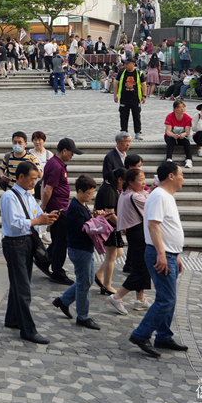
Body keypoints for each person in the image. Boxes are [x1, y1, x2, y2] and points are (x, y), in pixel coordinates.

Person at [128, 161, 187, 358]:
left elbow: (168, 227)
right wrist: (162, 253)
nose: (183, 179)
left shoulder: (167, 196)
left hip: (169, 253)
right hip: (159, 253)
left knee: (168, 298)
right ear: (171, 176)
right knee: (166, 299)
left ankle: (163, 336)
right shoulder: (160, 196)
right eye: (181, 174)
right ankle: (141, 334)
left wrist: (175, 254)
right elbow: (154, 225)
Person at [1, 161, 59, 344]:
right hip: (14, 243)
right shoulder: (10, 197)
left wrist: (47, 218)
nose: (34, 182)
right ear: (21, 177)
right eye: (32, 179)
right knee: (23, 287)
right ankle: (28, 329)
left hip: (26, 242)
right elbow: (13, 223)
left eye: (36, 179)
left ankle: (12, 318)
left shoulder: (28, 195)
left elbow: (36, 214)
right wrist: (37, 221)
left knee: (19, 283)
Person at [52, 174, 102, 330]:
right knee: (83, 283)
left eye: (92, 193)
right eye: (89, 193)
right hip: (79, 249)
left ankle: (63, 301)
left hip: (85, 248)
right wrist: (97, 225)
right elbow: (83, 229)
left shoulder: (82, 205)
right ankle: (83, 316)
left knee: (87, 280)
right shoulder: (75, 207)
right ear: (80, 191)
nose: (91, 196)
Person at [107, 167, 151, 316]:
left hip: (134, 233)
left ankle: (140, 299)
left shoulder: (125, 194)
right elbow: (151, 205)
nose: (144, 182)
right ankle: (117, 296)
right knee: (140, 269)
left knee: (142, 265)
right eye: (140, 180)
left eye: (144, 179)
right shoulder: (135, 197)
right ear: (130, 182)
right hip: (139, 234)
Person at [43, 138, 82, 285]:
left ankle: (45, 260)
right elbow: (48, 189)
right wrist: (43, 207)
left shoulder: (54, 163)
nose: (72, 156)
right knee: (61, 242)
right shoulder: (57, 166)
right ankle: (57, 272)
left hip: (58, 207)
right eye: (71, 153)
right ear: (64, 151)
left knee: (59, 238)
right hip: (58, 209)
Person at [94, 167, 124, 296]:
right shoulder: (109, 190)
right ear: (119, 179)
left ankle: (99, 274)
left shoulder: (109, 187)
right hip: (109, 227)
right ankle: (107, 285)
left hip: (111, 227)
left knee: (118, 252)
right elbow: (110, 213)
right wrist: (122, 225)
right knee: (111, 256)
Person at [115, 59, 145, 140]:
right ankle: (124, 132)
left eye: (128, 63)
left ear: (133, 64)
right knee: (123, 116)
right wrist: (115, 95)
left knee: (137, 116)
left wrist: (144, 95)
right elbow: (116, 83)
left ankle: (138, 132)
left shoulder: (139, 73)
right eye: (125, 63)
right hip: (124, 99)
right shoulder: (121, 73)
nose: (126, 65)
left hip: (135, 99)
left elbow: (143, 84)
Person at [163, 99, 193, 168]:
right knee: (170, 140)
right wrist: (173, 135)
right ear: (175, 109)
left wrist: (183, 134)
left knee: (186, 141)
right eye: (180, 107)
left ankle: (189, 159)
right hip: (171, 136)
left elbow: (187, 131)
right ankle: (169, 159)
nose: (182, 109)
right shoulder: (169, 116)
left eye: (183, 107)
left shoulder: (187, 118)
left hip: (181, 136)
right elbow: (168, 132)